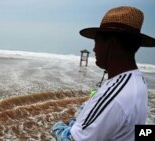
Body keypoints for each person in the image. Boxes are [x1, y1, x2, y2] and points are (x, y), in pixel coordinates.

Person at [52, 6, 155, 141]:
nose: (94, 49)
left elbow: (72, 139)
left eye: (96, 42)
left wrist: (57, 126)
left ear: (111, 44)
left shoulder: (116, 96)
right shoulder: (137, 80)